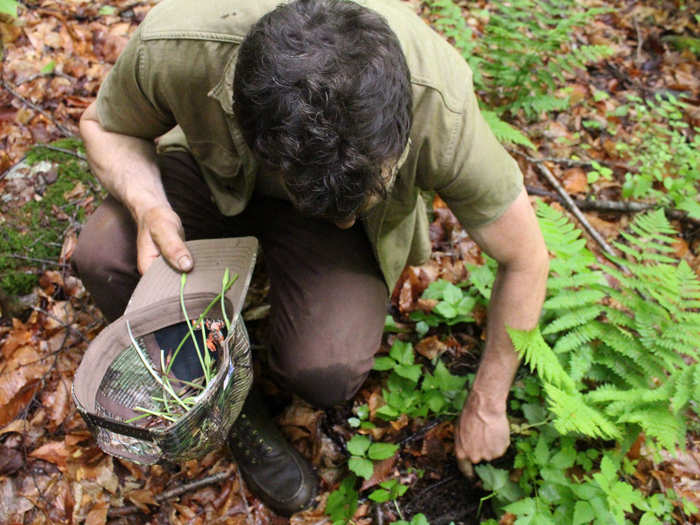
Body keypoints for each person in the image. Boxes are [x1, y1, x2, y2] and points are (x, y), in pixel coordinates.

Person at [73, 0, 549, 516]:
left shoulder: (440, 107)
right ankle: (232, 408)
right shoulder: (181, 43)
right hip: (213, 172)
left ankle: (263, 340)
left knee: (325, 370)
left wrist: (488, 400)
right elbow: (106, 126)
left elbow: (526, 258)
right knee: (103, 256)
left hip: (322, 220)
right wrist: (148, 206)